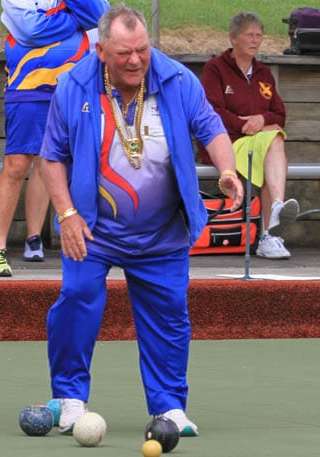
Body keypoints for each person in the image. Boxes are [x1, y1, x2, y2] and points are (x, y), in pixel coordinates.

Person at [39, 5, 244, 437]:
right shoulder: (73, 86)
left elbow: (211, 129)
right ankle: (70, 397)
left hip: (161, 230)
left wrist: (226, 170)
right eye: (124, 53)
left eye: (142, 50)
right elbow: (51, 157)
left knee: (169, 314)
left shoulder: (178, 80)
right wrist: (67, 213)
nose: (135, 60)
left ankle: (169, 406)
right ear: (101, 51)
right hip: (91, 228)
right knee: (77, 298)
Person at [0, 0, 110, 277]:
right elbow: (30, 30)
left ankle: (37, 239)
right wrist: (75, 21)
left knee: (52, 162)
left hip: (72, 87)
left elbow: (101, 16)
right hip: (26, 86)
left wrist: (63, 17)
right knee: (17, 164)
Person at [198, 12, 299, 260]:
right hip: (224, 144)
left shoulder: (264, 73)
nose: (255, 40)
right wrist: (247, 125)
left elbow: (279, 114)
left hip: (258, 144)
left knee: (275, 138)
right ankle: (269, 234)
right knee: (273, 144)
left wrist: (262, 120)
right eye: (249, 35)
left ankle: (275, 215)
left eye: (259, 35)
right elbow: (212, 112)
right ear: (233, 38)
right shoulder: (215, 69)